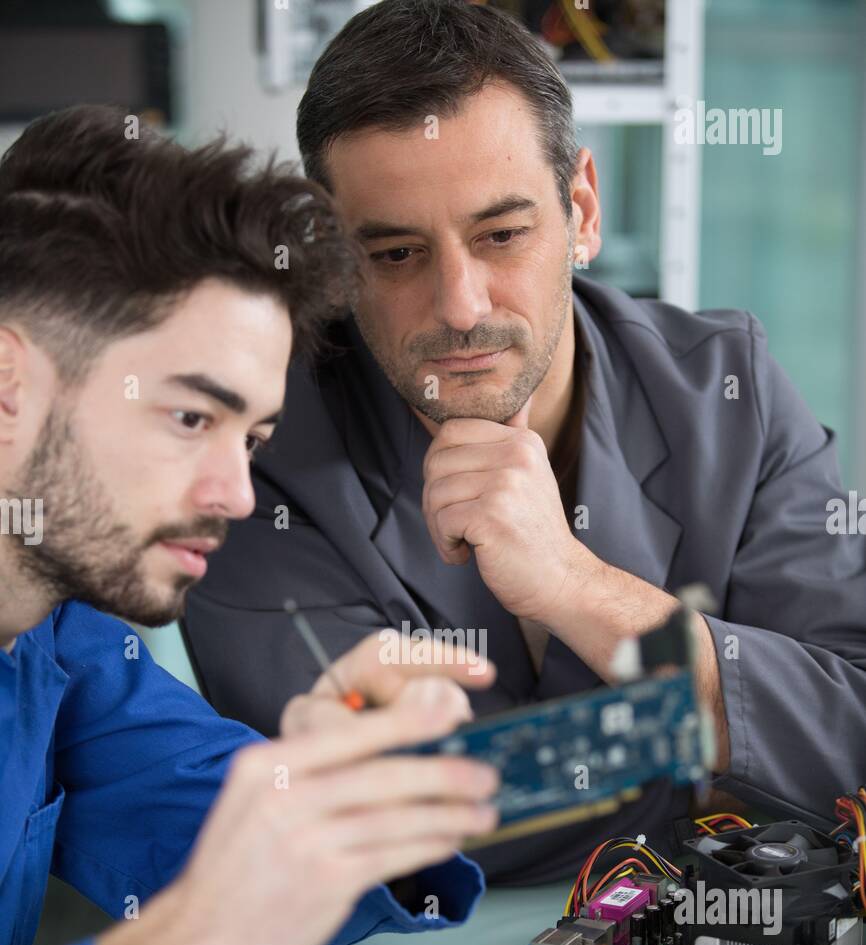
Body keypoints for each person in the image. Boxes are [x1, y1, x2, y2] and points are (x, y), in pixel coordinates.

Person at [183, 0, 866, 888]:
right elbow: (390, 829)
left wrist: (577, 586)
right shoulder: (255, 460)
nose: (461, 306)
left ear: (581, 210)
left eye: (502, 235)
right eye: (395, 255)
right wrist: (711, 728)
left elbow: (850, 733)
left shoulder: (728, 389)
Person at [0, 104, 501, 945]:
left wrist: (327, 788)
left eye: (253, 437)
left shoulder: (63, 638)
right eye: (190, 416)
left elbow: (211, 806)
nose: (235, 493)